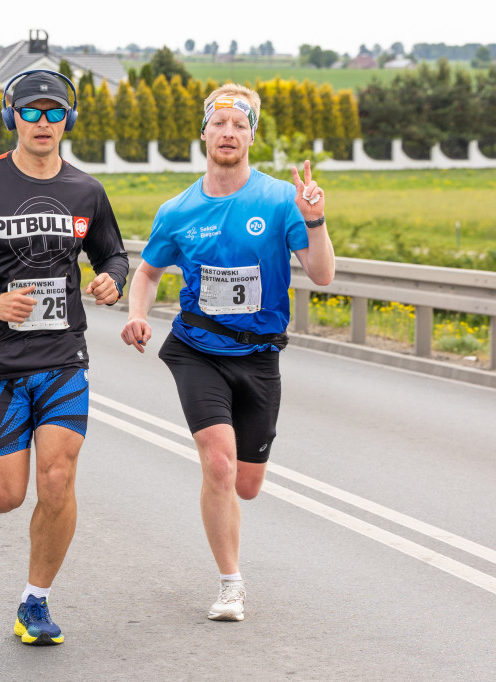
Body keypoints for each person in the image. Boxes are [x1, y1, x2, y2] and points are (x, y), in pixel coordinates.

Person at [0, 70, 129, 646]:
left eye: (54, 111)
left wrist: (112, 280)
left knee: (58, 481)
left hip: (65, 358)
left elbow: (112, 253)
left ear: (69, 118)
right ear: (12, 115)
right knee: (5, 497)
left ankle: (33, 603)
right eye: (31, 111)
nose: (43, 122)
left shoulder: (86, 191)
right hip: (2, 363)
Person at [120, 83, 335, 622]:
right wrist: (137, 314)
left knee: (247, 483)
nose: (229, 133)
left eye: (240, 125)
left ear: (251, 136)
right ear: (205, 133)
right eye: (220, 124)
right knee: (217, 463)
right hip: (197, 348)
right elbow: (146, 273)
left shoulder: (279, 199)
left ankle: (233, 529)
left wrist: (315, 219)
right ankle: (230, 585)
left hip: (259, 355)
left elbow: (323, 275)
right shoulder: (178, 210)